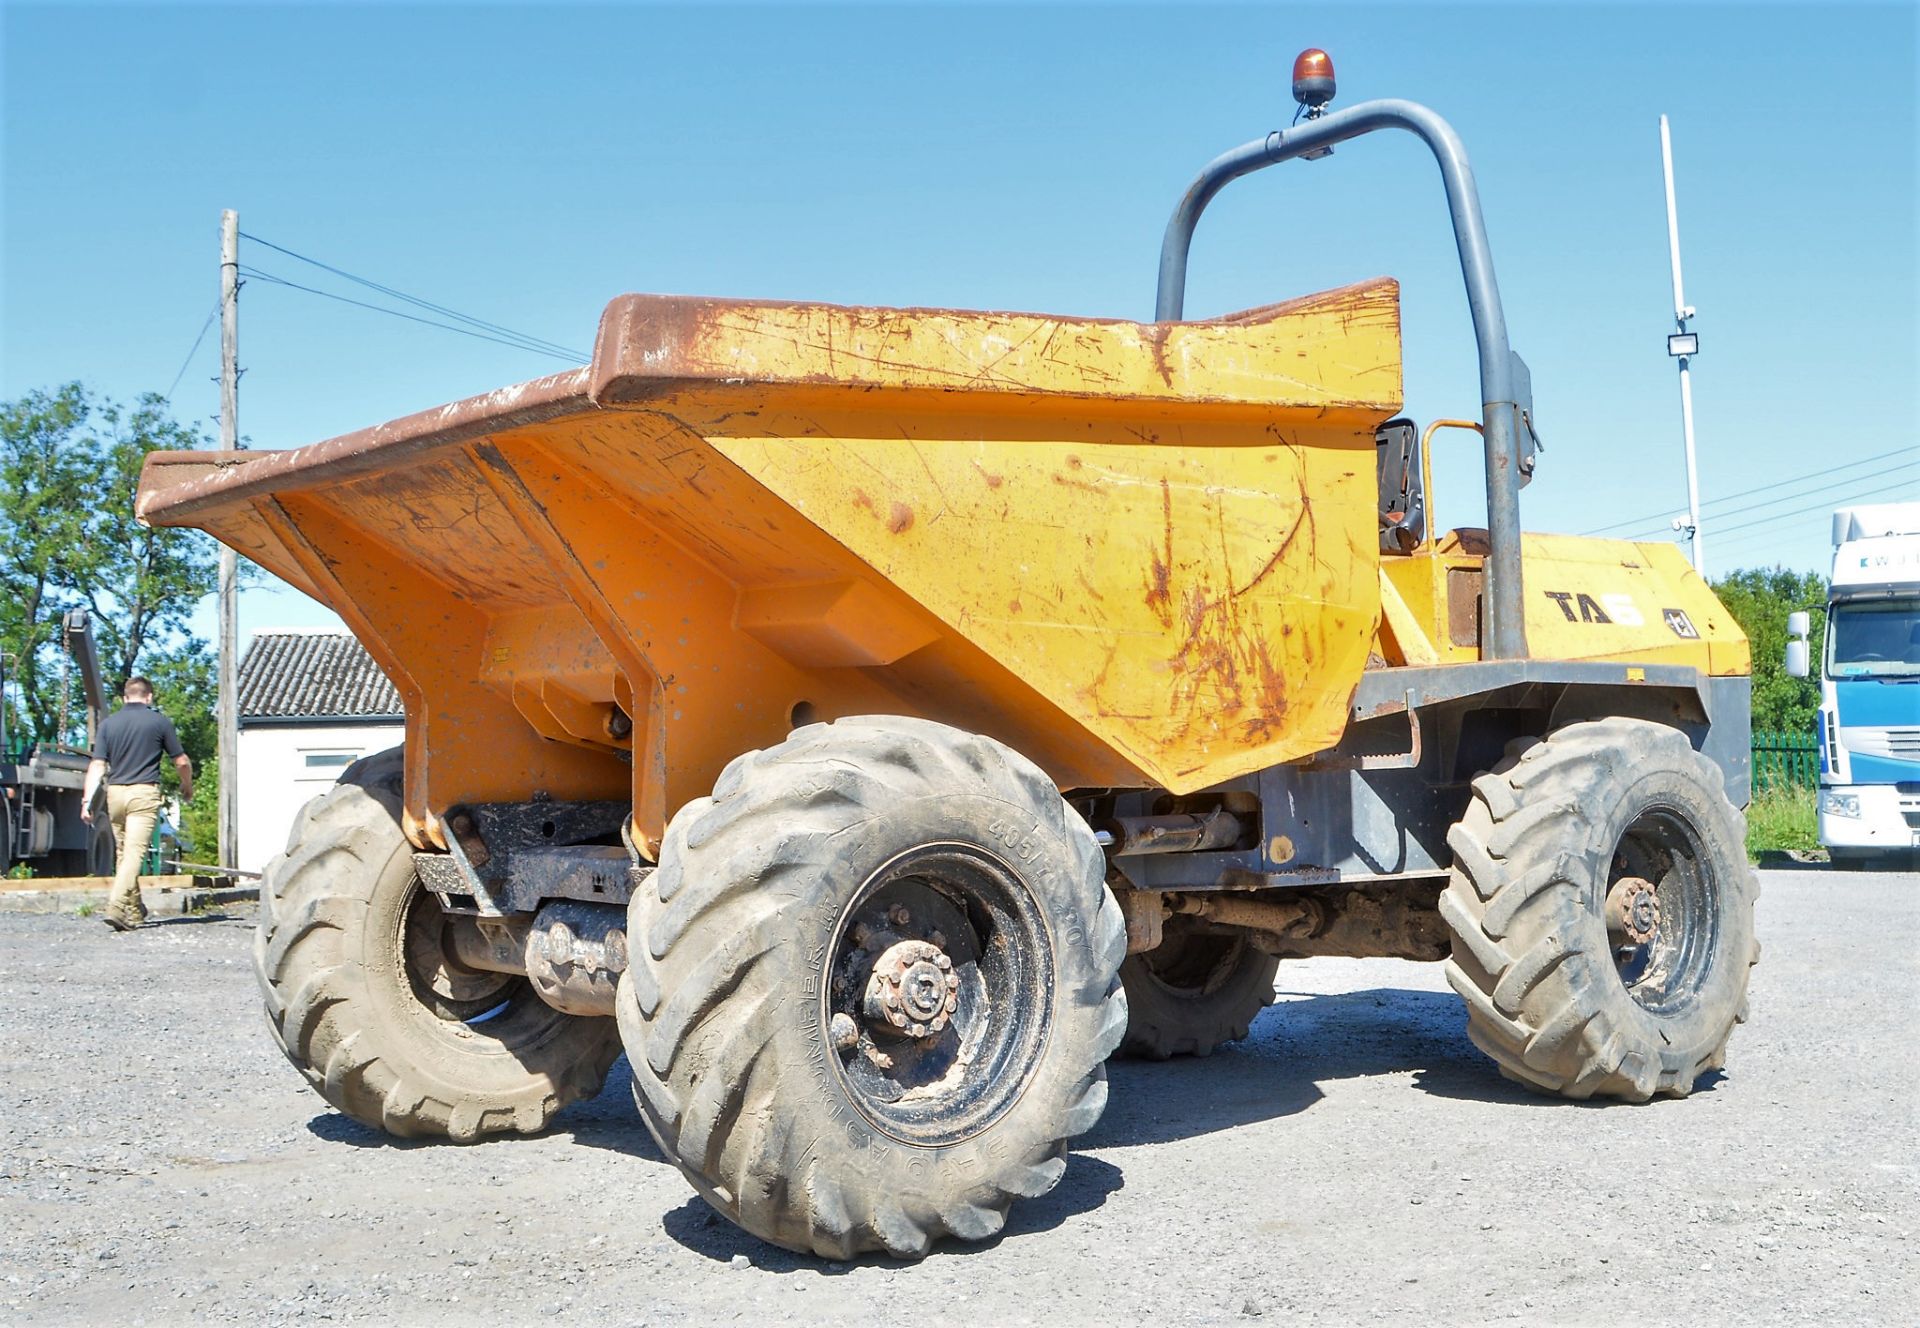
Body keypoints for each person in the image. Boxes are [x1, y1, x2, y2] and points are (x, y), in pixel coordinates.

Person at [80, 676, 193, 932]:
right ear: (149, 696)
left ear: (124, 697)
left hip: (115, 793)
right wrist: (187, 785)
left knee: (123, 854)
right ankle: (116, 907)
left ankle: (135, 909)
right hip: (143, 792)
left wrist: (87, 800)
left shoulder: (109, 725)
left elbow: (98, 764)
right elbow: (182, 761)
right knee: (134, 854)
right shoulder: (159, 721)